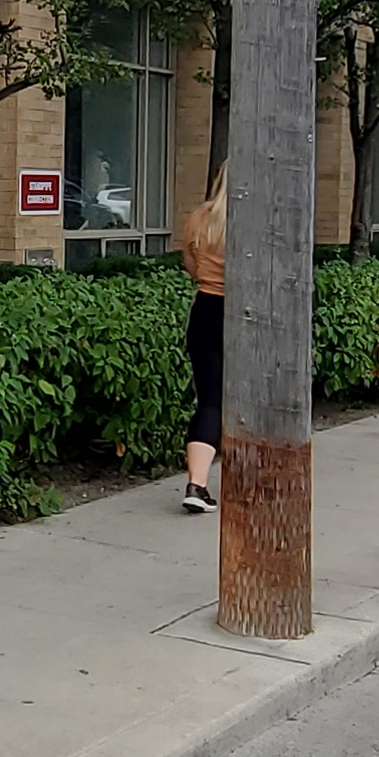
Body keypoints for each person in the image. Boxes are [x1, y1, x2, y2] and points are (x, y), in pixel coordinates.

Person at [176, 185, 227, 514]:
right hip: (250, 315)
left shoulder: (200, 218)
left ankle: (197, 484)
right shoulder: (264, 219)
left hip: (206, 309)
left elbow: (190, 264)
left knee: (209, 400)